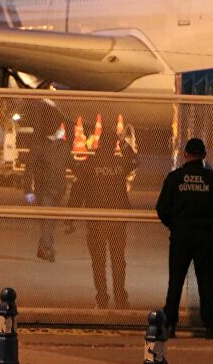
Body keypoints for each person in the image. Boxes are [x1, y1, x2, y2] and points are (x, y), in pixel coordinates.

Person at [156, 138, 213, 340]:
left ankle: (169, 324)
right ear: (204, 156)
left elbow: (162, 208)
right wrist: (211, 221)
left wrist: (175, 224)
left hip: (180, 237)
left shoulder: (175, 178)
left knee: (175, 282)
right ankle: (211, 326)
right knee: (206, 283)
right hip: (204, 238)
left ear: (185, 155)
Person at [72, 132, 137, 309]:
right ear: (114, 145)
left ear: (99, 144)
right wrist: (124, 143)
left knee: (99, 261)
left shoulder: (89, 164)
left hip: (97, 219)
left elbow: (78, 189)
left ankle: (102, 297)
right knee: (118, 260)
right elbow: (135, 161)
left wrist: (70, 216)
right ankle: (120, 297)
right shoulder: (119, 163)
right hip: (117, 219)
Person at [24, 118, 70, 262]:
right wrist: (28, 190)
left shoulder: (63, 147)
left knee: (51, 221)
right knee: (47, 221)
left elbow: (73, 163)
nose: (62, 130)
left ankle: (42, 247)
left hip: (58, 190)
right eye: (59, 128)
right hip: (44, 190)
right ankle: (47, 248)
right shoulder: (40, 147)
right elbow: (29, 169)